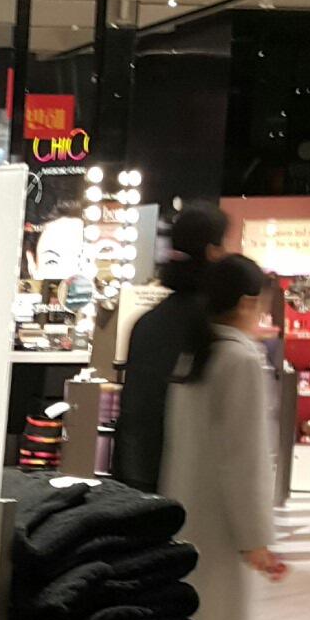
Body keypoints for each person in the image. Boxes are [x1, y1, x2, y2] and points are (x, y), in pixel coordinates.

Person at [158, 253, 288, 620]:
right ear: (248, 302)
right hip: (223, 519)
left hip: (188, 509)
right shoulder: (241, 359)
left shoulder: (195, 354)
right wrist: (255, 536)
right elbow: (246, 457)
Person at [110, 199, 227, 493]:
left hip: (139, 477)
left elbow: (133, 413)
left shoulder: (147, 322)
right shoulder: (214, 327)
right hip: (191, 482)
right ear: (212, 251)